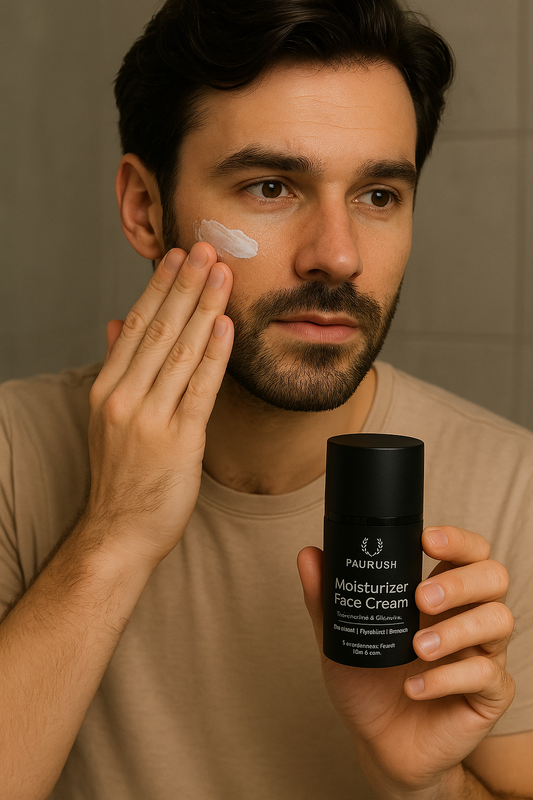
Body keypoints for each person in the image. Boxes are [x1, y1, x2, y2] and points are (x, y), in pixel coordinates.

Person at [0, 0, 532, 797]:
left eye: (378, 195)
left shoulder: (513, 488)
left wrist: (424, 781)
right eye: (271, 186)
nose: (339, 256)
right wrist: (114, 536)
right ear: (146, 207)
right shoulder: (12, 451)